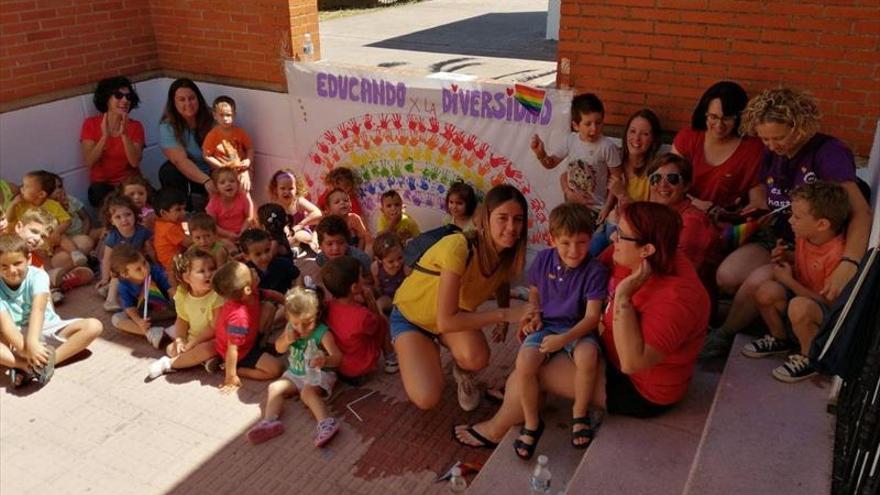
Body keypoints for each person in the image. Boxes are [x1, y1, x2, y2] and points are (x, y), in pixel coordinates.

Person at [455, 202, 710, 449]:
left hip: (638, 386)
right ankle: (521, 397)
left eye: (621, 235)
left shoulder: (679, 298)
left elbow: (633, 362)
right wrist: (538, 314)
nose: (613, 239)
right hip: (608, 352)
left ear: (647, 250)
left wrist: (622, 297)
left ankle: (496, 429)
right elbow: (577, 280)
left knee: (533, 368)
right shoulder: (625, 254)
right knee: (531, 358)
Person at [705, 88, 873, 356]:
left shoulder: (828, 152)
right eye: (765, 139)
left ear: (800, 126)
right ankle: (767, 317)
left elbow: (861, 212)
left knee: (757, 280)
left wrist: (849, 263)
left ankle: (726, 335)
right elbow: (766, 191)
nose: (772, 146)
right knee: (726, 276)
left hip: (811, 244)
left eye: (778, 138)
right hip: (777, 235)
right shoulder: (773, 152)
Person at [391, 184, 533, 411]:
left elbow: (502, 282)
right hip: (412, 318)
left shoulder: (508, 254)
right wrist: (505, 314)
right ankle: (419, 350)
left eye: (518, 219)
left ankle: (461, 372)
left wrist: (505, 316)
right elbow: (447, 320)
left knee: (477, 357)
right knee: (427, 398)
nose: (511, 227)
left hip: (449, 319)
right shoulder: (459, 246)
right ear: (485, 218)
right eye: (502, 218)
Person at [514, 203, 607, 459]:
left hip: (578, 329)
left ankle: (579, 413)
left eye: (582, 242)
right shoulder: (544, 259)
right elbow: (534, 289)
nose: (574, 251)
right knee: (524, 362)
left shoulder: (595, 270)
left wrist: (563, 340)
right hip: (547, 325)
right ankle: (532, 422)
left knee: (588, 357)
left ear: (591, 239)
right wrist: (534, 311)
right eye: (566, 243)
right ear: (552, 239)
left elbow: (591, 318)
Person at [742, 182, 849, 383]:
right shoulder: (805, 235)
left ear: (822, 224)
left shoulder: (836, 254)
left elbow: (829, 304)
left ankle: (810, 358)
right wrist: (787, 256)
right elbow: (804, 260)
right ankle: (780, 338)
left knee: (799, 306)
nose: (791, 220)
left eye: (797, 217)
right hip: (799, 302)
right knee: (766, 290)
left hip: (823, 318)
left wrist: (788, 281)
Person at [0, 234, 103, 389]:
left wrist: (34, 343)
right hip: (17, 337)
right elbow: (7, 327)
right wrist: (27, 350)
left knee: (94, 326)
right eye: (4, 266)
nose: (12, 270)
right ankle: (23, 365)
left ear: (28, 259)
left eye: (17, 263)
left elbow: (38, 309)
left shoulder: (38, 276)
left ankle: (44, 365)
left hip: (46, 326)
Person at [246, 286, 342, 447]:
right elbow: (278, 348)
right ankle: (269, 421)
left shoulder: (322, 333)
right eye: (296, 323)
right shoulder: (290, 329)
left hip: (318, 374)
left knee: (307, 393)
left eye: (307, 323)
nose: (301, 329)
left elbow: (338, 358)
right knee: (275, 387)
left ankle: (326, 423)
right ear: (288, 318)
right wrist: (286, 339)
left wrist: (325, 360)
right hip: (295, 374)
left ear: (316, 315)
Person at [671, 81, 765, 211]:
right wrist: (695, 203)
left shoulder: (752, 148)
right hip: (682, 213)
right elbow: (668, 183)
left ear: (739, 118)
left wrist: (750, 211)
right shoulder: (688, 137)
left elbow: (758, 199)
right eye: (713, 117)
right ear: (704, 114)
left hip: (722, 222)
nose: (719, 126)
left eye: (727, 119)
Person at [530, 93, 622, 215]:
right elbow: (550, 163)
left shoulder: (607, 147)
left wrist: (606, 208)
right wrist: (541, 154)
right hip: (572, 205)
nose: (594, 129)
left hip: (595, 209)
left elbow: (617, 180)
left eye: (598, 123)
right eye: (588, 124)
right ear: (576, 125)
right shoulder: (570, 140)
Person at [592, 108, 663, 256]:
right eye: (632, 131)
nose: (636, 139)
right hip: (604, 223)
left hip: (630, 234)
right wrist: (567, 188)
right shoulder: (614, 158)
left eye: (645, 134)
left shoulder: (655, 173)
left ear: (653, 140)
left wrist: (622, 194)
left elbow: (650, 217)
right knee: (585, 255)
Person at [146, 247, 223, 380]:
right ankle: (200, 360)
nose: (209, 274)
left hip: (213, 338)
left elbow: (213, 327)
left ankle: (168, 364)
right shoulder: (182, 294)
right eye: (201, 271)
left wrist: (193, 343)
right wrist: (179, 339)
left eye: (212, 269)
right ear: (187, 277)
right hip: (193, 338)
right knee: (171, 348)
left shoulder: (217, 295)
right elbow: (182, 319)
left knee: (208, 348)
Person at [211, 261, 285, 393]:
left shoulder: (252, 293)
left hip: (250, 338)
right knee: (276, 369)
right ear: (247, 289)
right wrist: (231, 376)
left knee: (269, 307)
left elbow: (273, 295)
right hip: (241, 353)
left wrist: (291, 305)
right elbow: (233, 348)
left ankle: (262, 345)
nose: (253, 269)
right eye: (251, 272)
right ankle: (237, 369)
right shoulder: (238, 317)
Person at [322, 256, 397, 378]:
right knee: (383, 322)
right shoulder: (363, 315)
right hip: (361, 366)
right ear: (354, 287)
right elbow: (376, 323)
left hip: (340, 365)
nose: (364, 279)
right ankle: (391, 360)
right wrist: (371, 301)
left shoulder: (328, 306)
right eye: (361, 276)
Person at [645, 154, 718, 272]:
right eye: (656, 178)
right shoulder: (652, 214)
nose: (662, 184)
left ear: (686, 186)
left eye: (672, 178)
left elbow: (679, 271)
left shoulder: (692, 222)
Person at [80, 76, 145, 208]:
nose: (125, 100)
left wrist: (124, 135)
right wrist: (104, 137)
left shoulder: (135, 126)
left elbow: (134, 161)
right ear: (107, 99)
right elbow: (89, 161)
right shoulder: (91, 124)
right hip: (103, 186)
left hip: (129, 184)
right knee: (102, 197)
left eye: (128, 97)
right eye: (118, 96)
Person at [158, 78, 216, 210]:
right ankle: (183, 212)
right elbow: (180, 160)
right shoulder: (168, 126)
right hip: (193, 173)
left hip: (216, 169)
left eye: (191, 98)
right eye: (182, 100)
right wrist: (206, 180)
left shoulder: (213, 117)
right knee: (168, 171)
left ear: (198, 99)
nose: (188, 103)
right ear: (174, 103)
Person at [108, 245, 175, 349]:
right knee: (116, 319)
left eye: (144, 263)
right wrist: (139, 322)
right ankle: (154, 333)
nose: (145, 269)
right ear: (125, 274)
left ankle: (170, 330)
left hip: (168, 307)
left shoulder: (155, 271)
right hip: (147, 315)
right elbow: (129, 308)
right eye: (138, 269)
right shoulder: (124, 285)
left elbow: (171, 290)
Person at [98, 194, 155, 312]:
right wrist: (104, 278)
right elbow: (107, 259)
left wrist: (157, 263)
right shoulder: (113, 237)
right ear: (111, 221)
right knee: (116, 276)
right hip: (120, 268)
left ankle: (142, 299)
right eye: (118, 217)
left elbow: (150, 250)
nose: (124, 220)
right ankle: (110, 300)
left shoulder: (142, 232)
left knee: (149, 273)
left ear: (134, 214)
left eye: (128, 214)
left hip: (138, 266)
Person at [295, 215, 372, 289]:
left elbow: (371, 282)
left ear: (347, 242)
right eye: (329, 244)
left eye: (340, 243)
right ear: (321, 246)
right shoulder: (321, 259)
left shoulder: (360, 259)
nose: (335, 248)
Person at [202, 95, 254, 192]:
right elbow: (206, 155)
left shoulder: (240, 132)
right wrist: (221, 166)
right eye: (221, 115)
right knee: (220, 193)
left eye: (228, 115)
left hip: (239, 169)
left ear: (234, 115)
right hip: (221, 171)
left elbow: (249, 148)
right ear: (215, 115)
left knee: (244, 190)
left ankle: (247, 206)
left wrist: (248, 161)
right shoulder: (212, 135)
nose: (225, 119)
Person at [266, 169, 322, 251]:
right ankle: (294, 250)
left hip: (301, 232)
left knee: (298, 235)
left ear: (297, 189)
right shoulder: (275, 205)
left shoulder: (298, 201)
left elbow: (318, 213)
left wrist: (300, 225)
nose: (287, 192)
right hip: (286, 236)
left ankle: (309, 245)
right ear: (276, 190)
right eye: (282, 188)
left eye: (290, 188)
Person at [240, 228, 299, 296]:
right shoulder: (247, 273)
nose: (264, 257)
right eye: (258, 254)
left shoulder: (282, 263)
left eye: (267, 250)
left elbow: (297, 276)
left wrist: (296, 292)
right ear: (246, 256)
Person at [206, 167, 255, 241]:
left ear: (238, 184)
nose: (228, 184)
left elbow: (249, 217)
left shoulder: (243, 198)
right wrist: (228, 234)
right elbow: (212, 225)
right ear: (216, 187)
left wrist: (242, 232)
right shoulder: (213, 204)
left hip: (243, 234)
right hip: (222, 237)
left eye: (232, 181)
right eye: (222, 182)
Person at [152, 188, 191, 275]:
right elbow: (189, 242)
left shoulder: (163, 222)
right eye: (178, 210)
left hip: (177, 259)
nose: (183, 213)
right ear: (163, 213)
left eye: (184, 209)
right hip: (174, 265)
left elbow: (187, 232)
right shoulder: (169, 228)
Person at [371, 232, 409, 315]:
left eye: (400, 258)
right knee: (378, 304)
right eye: (391, 261)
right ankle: (385, 324)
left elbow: (411, 288)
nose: (397, 263)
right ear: (379, 260)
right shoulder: (375, 268)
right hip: (388, 298)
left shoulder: (406, 268)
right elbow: (377, 286)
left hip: (404, 298)